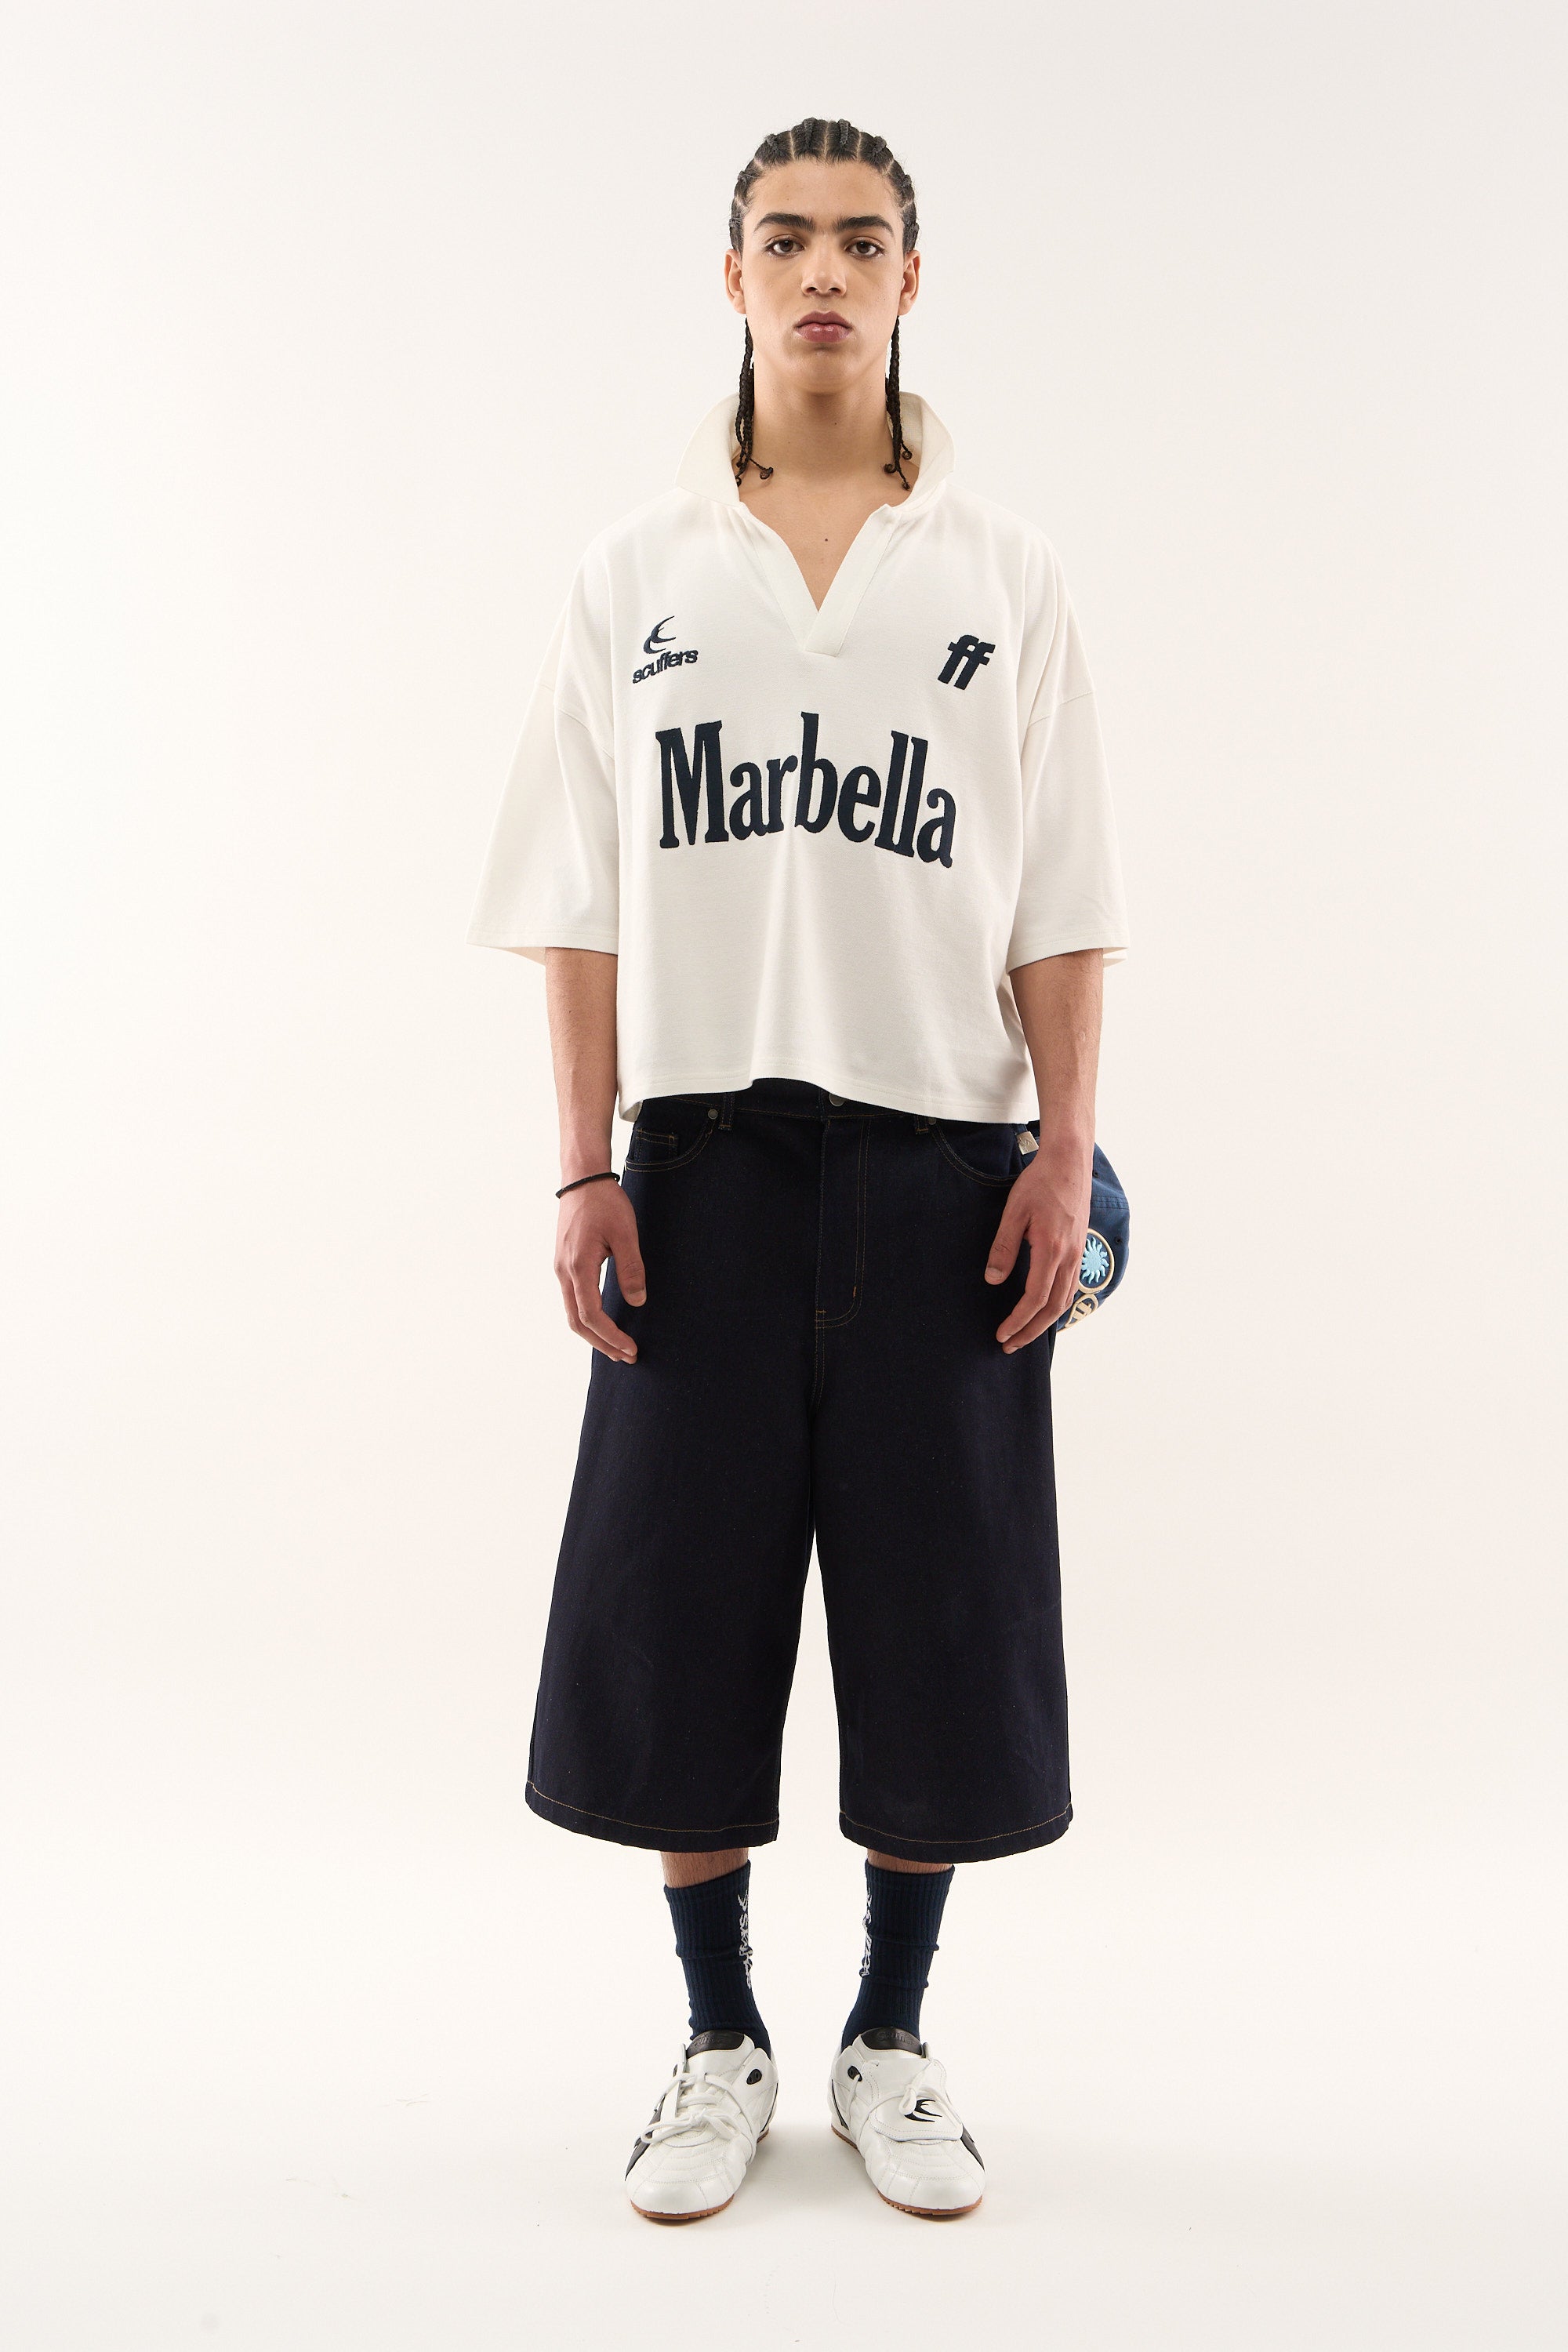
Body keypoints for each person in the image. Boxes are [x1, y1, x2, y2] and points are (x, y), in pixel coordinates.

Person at [468, 114, 1129, 2224]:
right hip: (704, 1164)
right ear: (734, 274)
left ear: (912, 277)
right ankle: (716, 2036)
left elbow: (1066, 903)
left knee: (943, 1618)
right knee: (683, 1611)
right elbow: (577, 902)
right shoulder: (636, 574)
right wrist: (580, 1167)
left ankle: (894, 2036)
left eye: (860, 239)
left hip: (948, 1163)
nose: (822, 270)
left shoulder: (1003, 573)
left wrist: (1067, 1150)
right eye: (785, 238)